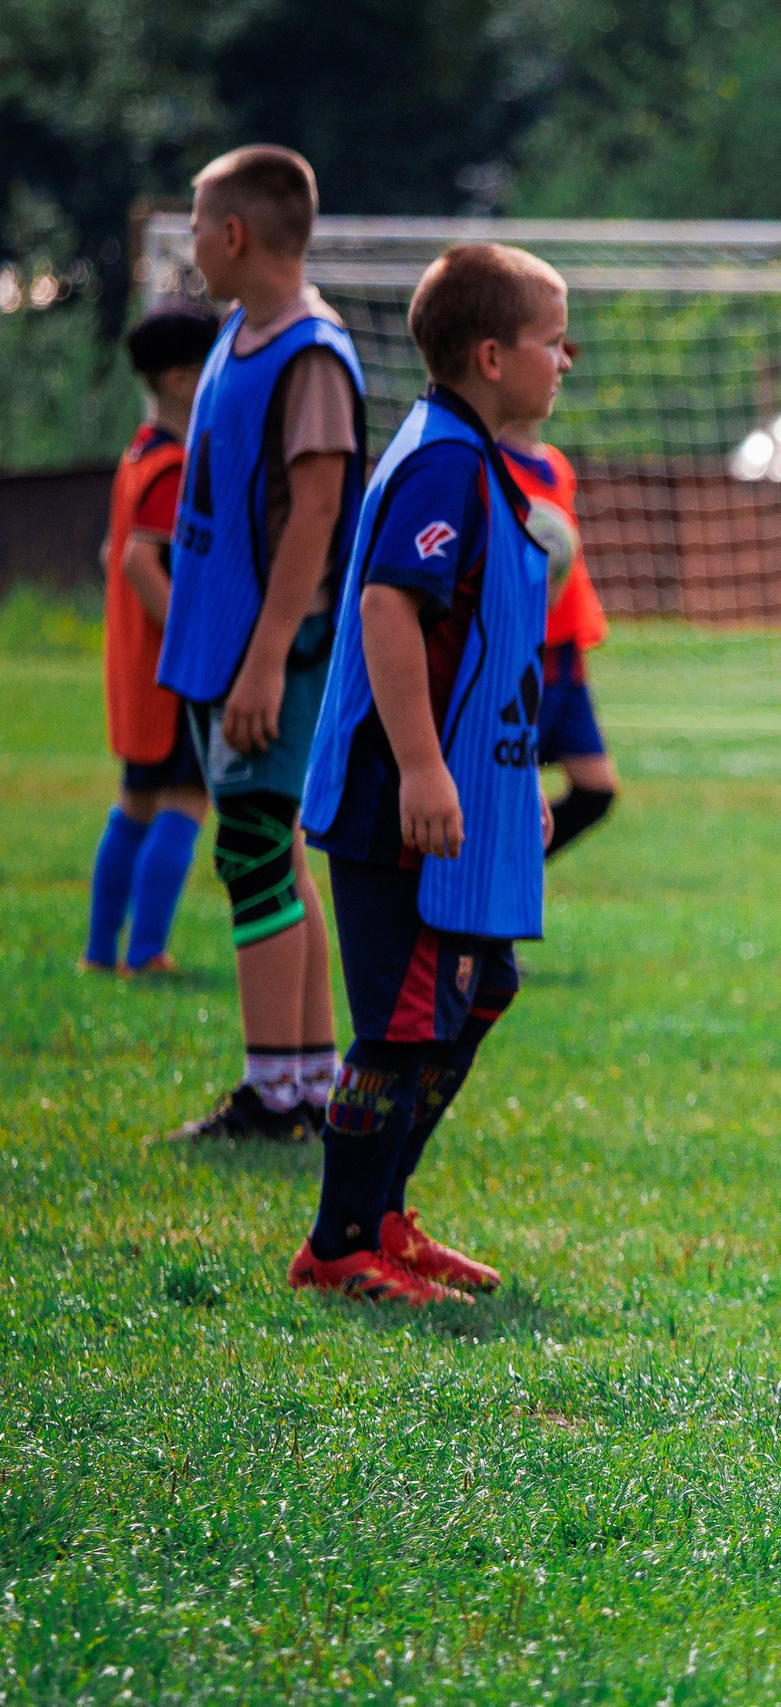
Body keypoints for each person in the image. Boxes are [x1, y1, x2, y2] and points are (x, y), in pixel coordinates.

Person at [293, 242, 572, 1304]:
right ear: (492, 356)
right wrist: (419, 769)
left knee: (481, 990)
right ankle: (337, 1243)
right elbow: (386, 609)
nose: (566, 361)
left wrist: (507, 791)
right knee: (403, 1023)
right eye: (555, 342)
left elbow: (489, 651)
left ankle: (385, 1213)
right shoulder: (444, 462)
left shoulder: (479, 460)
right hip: (389, 804)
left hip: (453, 801)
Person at [156, 145, 366, 1142]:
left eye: (198, 224)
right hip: (224, 642)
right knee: (270, 851)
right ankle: (310, 1084)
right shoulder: (243, 330)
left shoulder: (310, 353)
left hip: (270, 650)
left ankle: (273, 1094)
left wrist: (268, 656)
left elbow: (317, 512)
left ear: (235, 234)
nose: (193, 241)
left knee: (248, 851)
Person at [83, 305, 219, 978]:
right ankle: (147, 952)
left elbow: (112, 550)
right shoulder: (174, 466)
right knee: (186, 800)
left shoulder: (137, 454)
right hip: (172, 671)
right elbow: (138, 560)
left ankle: (99, 952)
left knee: (135, 802)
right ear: (182, 379)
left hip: (137, 666)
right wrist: (194, 639)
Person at [495, 423, 620, 858]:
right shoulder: (488, 463)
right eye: (551, 349)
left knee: (596, 790)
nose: (562, 365)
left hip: (568, 654)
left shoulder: (557, 464)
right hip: (526, 657)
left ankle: (510, 869)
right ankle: (491, 882)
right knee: (506, 791)